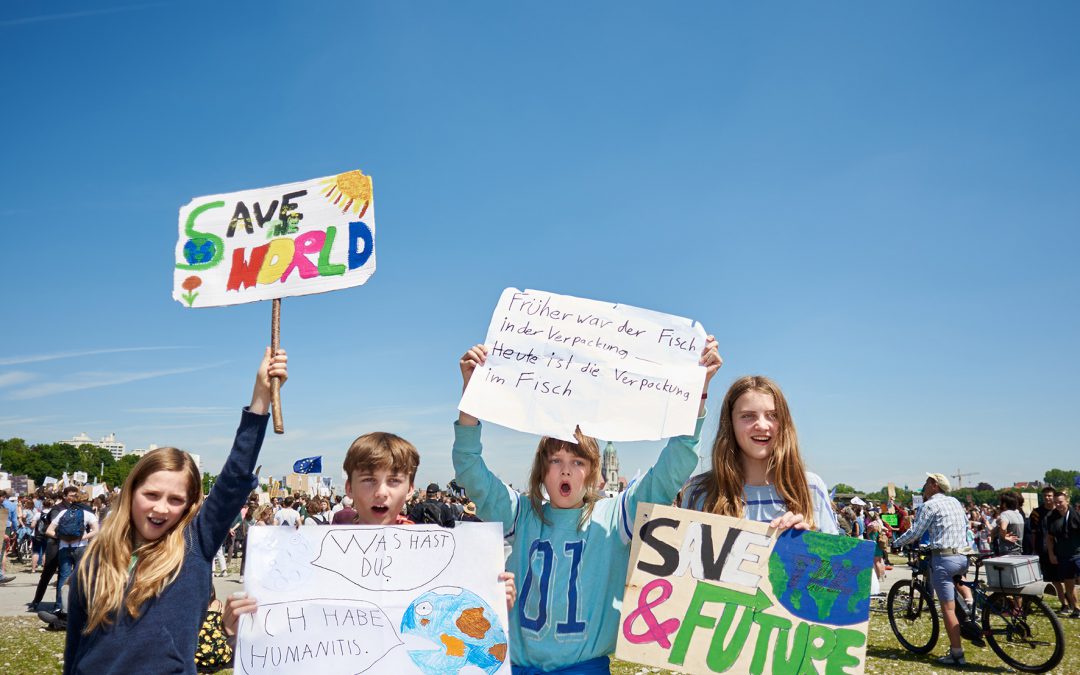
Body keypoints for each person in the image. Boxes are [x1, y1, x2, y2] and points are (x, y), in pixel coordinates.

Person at [453, 338, 720, 674]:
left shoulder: (614, 518)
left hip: (585, 667)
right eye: (556, 460)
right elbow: (469, 468)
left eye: (578, 461)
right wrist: (471, 395)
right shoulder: (520, 514)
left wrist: (697, 393)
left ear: (595, 472)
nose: (566, 469)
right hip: (520, 666)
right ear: (542, 471)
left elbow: (672, 468)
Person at [59, 347, 287, 674]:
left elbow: (235, 476)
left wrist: (261, 398)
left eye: (176, 500)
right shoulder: (94, 558)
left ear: (190, 504)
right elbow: (75, 651)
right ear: (131, 491)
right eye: (151, 494)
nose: (161, 508)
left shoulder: (194, 545)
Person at [682, 375, 838, 536]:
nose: (762, 425)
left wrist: (806, 547)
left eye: (772, 415)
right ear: (730, 423)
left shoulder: (811, 487)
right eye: (747, 416)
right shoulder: (698, 491)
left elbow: (836, 561)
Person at [892, 473, 973, 667]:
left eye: (927, 482)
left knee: (948, 608)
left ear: (934, 485)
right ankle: (972, 615)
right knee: (959, 588)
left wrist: (896, 543)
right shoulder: (954, 502)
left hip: (944, 558)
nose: (924, 486)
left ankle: (956, 654)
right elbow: (965, 526)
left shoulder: (929, 505)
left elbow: (916, 532)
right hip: (963, 555)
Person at [44, 486, 100, 622]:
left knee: (63, 577)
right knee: (81, 577)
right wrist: (82, 538)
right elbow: (97, 531)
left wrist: (61, 537)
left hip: (64, 547)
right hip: (80, 547)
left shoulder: (63, 513)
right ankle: (81, 607)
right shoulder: (88, 514)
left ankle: (60, 608)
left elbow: (49, 531)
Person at [1046, 491, 1080, 619]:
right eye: (1056, 503)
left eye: (1060, 502)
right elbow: (1049, 538)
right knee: (1069, 584)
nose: (1058, 505)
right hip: (1063, 555)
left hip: (1078, 554)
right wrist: (1051, 554)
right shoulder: (1052, 517)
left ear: (1067, 501)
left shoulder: (1076, 515)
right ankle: (1076, 608)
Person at [992, 491, 1024, 556]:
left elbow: (1003, 528)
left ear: (1004, 504)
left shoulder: (1005, 514)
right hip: (1018, 550)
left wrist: (1005, 537)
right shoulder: (1019, 515)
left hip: (1007, 551)